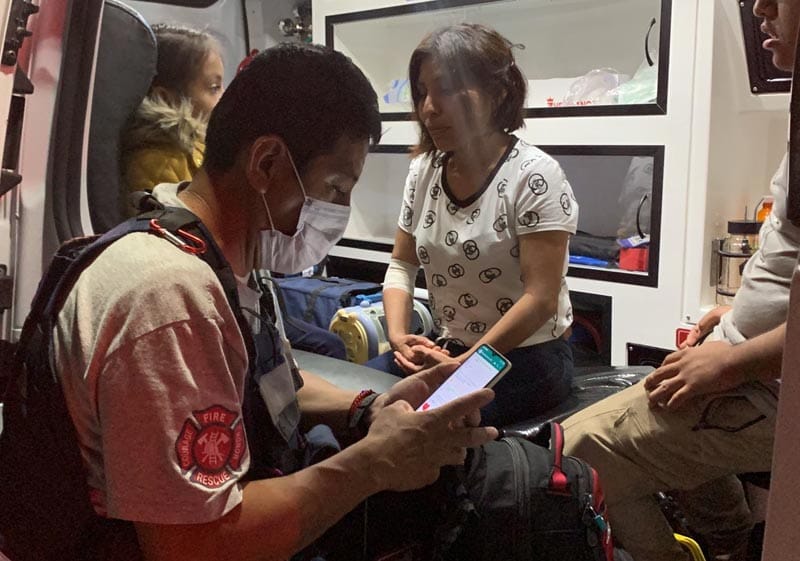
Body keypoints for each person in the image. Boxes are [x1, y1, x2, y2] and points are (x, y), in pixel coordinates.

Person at [54, 43, 498, 560]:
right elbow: (194, 547)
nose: (340, 210)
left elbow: (267, 384)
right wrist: (375, 464)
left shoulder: (227, 259)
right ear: (266, 163)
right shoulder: (171, 299)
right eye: (335, 187)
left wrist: (369, 407)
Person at [562, 1, 800, 560]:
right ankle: (729, 540)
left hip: (769, 381)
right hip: (754, 357)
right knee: (657, 395)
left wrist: (731, 363)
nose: (760, 8)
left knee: (576, 451)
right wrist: (737, 314)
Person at [367, 23, 579, 428]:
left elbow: (540, 299)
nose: (429, 108)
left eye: (447, 89)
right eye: (423, 92)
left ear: (497, 93)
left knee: (428, 423)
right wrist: (399, 336)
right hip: (447, 348)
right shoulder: (424, 171)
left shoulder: (535, 175)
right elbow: (401, 265)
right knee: (360, 403)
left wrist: (468, 362)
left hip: (526, 357)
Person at [121, 24, 224, 194]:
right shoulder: (157, 165)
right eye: (214, 88)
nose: (224, 97)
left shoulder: (203, 146)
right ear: (166, 99)